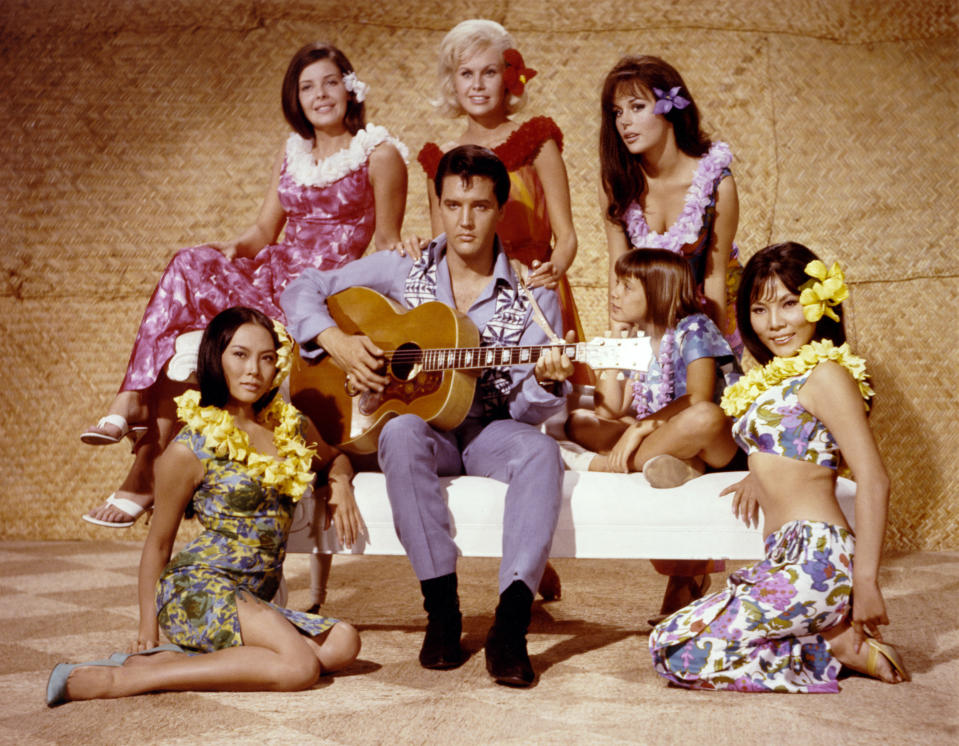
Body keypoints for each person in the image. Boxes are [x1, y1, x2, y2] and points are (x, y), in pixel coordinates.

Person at [80, 41, 411, 529]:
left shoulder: (379, 154)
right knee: (189, 262)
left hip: (319, 292)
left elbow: (385, 243)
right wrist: (229, 250)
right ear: (294, 100)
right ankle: (133, 409)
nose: (320, 94)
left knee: (191, 294)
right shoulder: (293, 154)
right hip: (270, 274)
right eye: (306, 87)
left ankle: (139, 444)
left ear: (350, 87)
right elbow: (262, 234)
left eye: (329, 82)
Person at [281, 145, 574, 687]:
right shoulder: (403, 266)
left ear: (500, 210)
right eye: (453, 204)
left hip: (489, 428)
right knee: (401, 430)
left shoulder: (533, 296)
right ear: (437, 205)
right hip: (424, 430)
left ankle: (510, 624)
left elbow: (530, 410)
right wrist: (337, 343)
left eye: (480, 206)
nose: (464, 220)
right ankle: (442, 611)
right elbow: (302, 286)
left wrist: (547, 378)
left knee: (540, 450)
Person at [47, 307, 361, 706]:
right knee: (299, 668)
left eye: (266, 358)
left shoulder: (289, 426)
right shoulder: (190, 446)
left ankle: (191, 660)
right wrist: (148, 627)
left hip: (253, 595)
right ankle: (135, 676)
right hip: (198, 586)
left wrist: (339, 483)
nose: (254, 370)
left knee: (343, 643)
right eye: (240, 355)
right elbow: (159, 543)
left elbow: (334, 457)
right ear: (217, 358)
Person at [648, 242, 909, 691]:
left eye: (789, 303)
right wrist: (759, 472)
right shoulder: (779, 378)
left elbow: (874, 479)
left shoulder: (826, 374)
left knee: (673, 649)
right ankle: (828, 641)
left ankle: (840, 645)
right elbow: (799, 443)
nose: (774, 323)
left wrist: (866, 582)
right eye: (759, 308)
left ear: (818, 303)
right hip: (782, 555)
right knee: (670, 634)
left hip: (818, 557)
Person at [565, 248, 739, 621]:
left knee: (705, 416)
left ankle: (628, 463)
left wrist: (641, 428)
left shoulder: (694, 327)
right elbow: (608, 410)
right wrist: (615, 339)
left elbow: (699, 397)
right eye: (618, 284)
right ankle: (676, 461)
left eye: (627, 287)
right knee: (579, 421)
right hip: (661, 438)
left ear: (659, 291)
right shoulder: (642, 339)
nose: (615, 293)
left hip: (715, 440)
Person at [415, 19, 582, 342]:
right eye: (466, 73)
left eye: (489, 73)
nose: (477, 84)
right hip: (474, 301)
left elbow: (568, 237)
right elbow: (444, 250)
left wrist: (553, 271)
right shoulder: (440, 160)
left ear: (507, 78)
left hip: (536, 291)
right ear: (452, 81)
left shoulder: (537, 141)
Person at [599, 55, 742, 354]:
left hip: (703, 325)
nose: (624, 122)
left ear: (671, 110)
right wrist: (617, 348)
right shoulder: (617, 185)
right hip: (645, 327)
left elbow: (715, 277)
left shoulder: (717, 185)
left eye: (637, 107)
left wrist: (714, 355)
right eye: (617, 112)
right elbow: (618, 270)